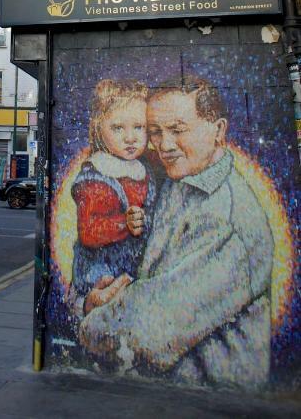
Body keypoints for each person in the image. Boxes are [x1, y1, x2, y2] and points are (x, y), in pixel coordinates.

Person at [79, 77, 274, 389]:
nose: (163, 145)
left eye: (177, 130)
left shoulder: (228, 220)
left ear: (219, 130)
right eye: (155, 132)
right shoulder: (179, 180)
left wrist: (88, 316)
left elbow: (151, 329)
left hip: (212, 398)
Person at [71, 79, 155, 301]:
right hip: (101, 274)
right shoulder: (97, 176)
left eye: (139, 127)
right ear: (99, 128)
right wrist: (124, 224)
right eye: (118, 128)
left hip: (132, 270)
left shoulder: (144, 169)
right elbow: (88, 231)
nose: (130, 137)